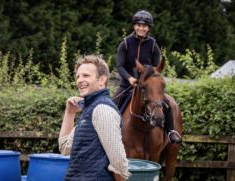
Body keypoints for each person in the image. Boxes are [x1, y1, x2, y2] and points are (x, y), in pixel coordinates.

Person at [58, 55, 131, 181]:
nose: (79, 80)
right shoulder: (90, 110)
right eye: (78, 76)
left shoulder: (103, 110)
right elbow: (65, 147)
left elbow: (119, 162)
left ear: (102, 80)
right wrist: (69, 113)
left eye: (86, 75)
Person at [113, 10, 181, 144]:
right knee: (112, 104)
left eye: (144, 26)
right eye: (138, 25)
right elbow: (119, 66)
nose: (141, 28)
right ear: (134, 26)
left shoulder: (153, 45)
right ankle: (109, 133)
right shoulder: (125, 43)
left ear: (148, 28)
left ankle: (171, 131)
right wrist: (129, 78)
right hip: (127, 84)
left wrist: (151, 83)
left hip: (148, 86)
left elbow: (156, 69)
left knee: (167, 105)